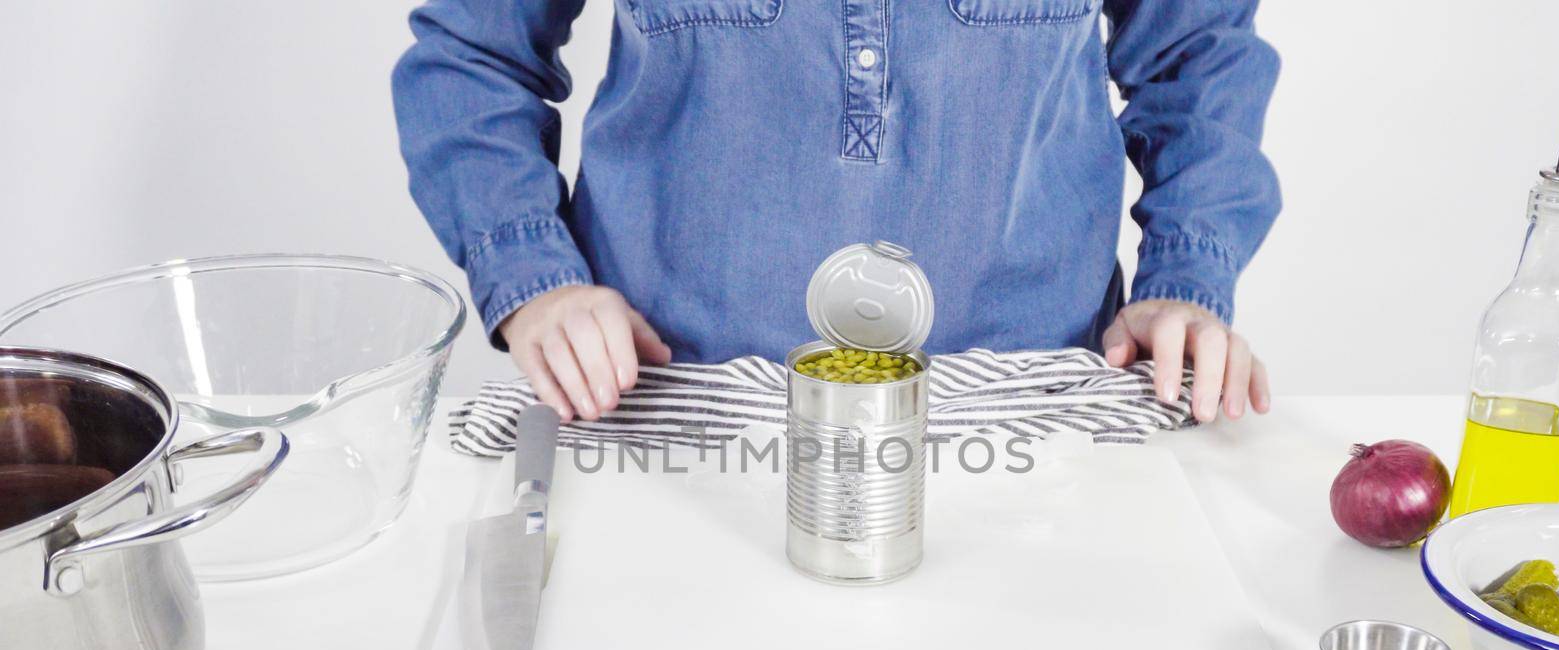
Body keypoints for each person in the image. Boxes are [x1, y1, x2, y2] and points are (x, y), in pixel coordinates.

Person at [393, 0, 1279, 424]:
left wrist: (1186, 278)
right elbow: (473, 54)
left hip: (1030, 412)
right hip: (662, 407)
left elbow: (1196, 60)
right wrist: (535, 281)